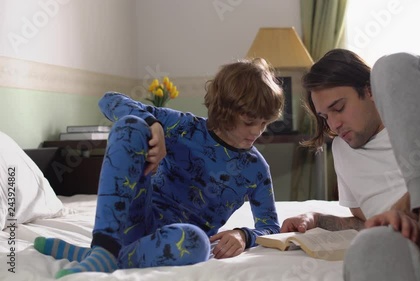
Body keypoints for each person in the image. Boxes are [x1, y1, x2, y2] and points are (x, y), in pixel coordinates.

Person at [34, 58, 284, 278]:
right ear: (225, 110)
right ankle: (104, 246)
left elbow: (271, 226)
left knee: (198, 244)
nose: (257, 131)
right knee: (131, 125)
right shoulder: (185, 126)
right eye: (250, 121)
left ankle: (102, 255)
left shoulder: (256, 169)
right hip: (136, 220)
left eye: (264, 122)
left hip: (177, 241)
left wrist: (242, 234)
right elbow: (108, 101)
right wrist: (153, 124)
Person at [281, 49, 420, 281]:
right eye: (325, 117)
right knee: (368, 249)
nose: (334, 124)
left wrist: (404, 209)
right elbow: (365, 221)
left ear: (370, 90)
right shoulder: (342, 151)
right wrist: (317, 218)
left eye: (339, 108)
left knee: (393, 65)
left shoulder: (417, 114)